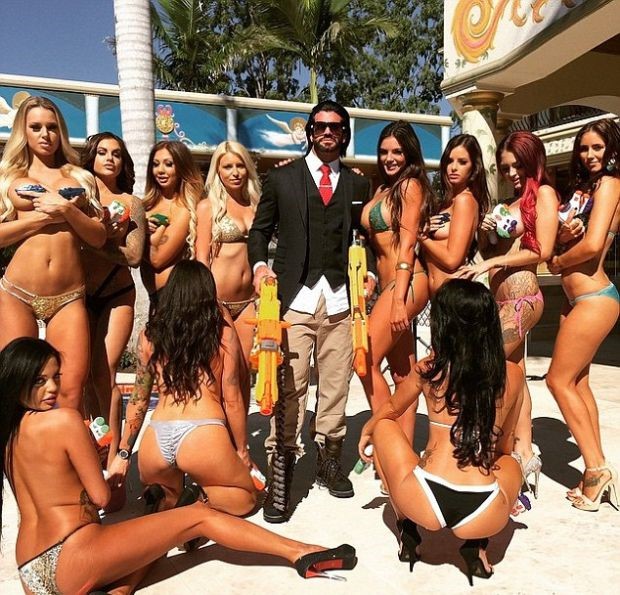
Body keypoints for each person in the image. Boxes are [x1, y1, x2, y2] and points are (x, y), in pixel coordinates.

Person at [0, 337, 357, 595]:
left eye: (55, 377)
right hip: (72, 556)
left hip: (31, 572)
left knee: (154, 532)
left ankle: (120, 589)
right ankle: (300, 553)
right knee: (198, 516)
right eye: (40, 381)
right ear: (17, 381)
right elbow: (100, 498)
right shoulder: (63, 421)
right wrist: (97, 461)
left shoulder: (7, 434)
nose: (52, 388)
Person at [248, 100, 375, 523]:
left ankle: (328, 460)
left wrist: (370, 272)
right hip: (294, 301)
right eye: (320, 126)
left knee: (336, 386)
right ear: (310, 132)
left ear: (345, 133)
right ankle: (281, 471)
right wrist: (260, 266)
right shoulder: (281, 178)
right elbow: (259, 231)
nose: (327, 133)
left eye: (335, 127)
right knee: (290, 386)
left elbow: (367, 238)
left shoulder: (358, 185)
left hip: (340, 300)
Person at [358, 279, 523, 586]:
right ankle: (477, 545)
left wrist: (368, 431)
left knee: (382, 426)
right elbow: (505, 444)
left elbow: (390, 409)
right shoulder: (511, 374)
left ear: (441, 324)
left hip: (423, 498)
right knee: (511, 461)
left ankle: (407, 530)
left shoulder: (429, 369)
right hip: (483, 508)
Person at [107, 260, 256, 518]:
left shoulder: (149, 337)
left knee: (167, 492)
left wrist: (123, 453)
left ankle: (165, 496)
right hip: (202, 433)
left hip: (157, 440)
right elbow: (232, 399)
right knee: (245, 499)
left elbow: (139, 400)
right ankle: (197, 500)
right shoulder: (221, 334)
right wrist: (242, 451)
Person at [458, 131, 558, 510]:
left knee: (484, 368)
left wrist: (495, 260)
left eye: (518, 165)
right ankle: (523, 455)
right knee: (514, 375)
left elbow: (542, 250)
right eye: (505, 167)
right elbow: (495, 252)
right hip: (502, 301)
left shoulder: (544, 195)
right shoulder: (509, 204)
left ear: (534, 160)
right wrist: (488, 241)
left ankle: (485, 451)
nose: (512, 172)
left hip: (523, 299)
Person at [0, 96, 106, 409]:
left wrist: (67, 211)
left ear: (61, 131)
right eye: (36, 127)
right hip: (17, 293)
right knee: (16, 388)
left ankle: (62, 442)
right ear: (23, 131)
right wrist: (42, 219)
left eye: (52, 127)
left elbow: (98, 237)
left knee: (70, 391)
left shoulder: (80, 178)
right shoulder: (7, 177)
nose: (45, 134)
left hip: (68, 297)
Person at [546, 118, 620, 512]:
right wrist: (561, 239)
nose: (590, 155)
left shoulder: (610, 185)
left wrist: (558, 262)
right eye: (584, 148)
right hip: (573, 299)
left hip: (594, 297)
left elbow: (592, 247)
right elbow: (563, 236)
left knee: (557, 381)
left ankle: (595, 471)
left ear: (612, 150)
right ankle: (600, 464)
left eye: (598, 148)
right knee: (579, 382)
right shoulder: (583, 190)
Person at [80, 132, 146, 511]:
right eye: (103, 152)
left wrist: (95, 239)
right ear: (90, 157)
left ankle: (115, 462)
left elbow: (133, 257)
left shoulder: (131, 203)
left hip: (116, 293)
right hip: (78, 294)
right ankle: (94, 449)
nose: (110, 158)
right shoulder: (77, 197)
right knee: (79, 379)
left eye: (117, 154)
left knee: (103, 372)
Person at [359, 121, 430, 445]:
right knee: (403, 375)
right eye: (384, 151)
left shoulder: (410, 186)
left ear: (409, 153)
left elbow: (408, 245)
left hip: (407, 283)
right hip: (389, 286)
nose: (389, 158)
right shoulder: (383, 189)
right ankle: (404, 452)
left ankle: (385, 442)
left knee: (363, 360)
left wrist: (400, 300)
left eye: (397, 152)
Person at [196, 141, 261, 408]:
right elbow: (201, 257)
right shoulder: (208, 207)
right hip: (218, 301)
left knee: (245, 372)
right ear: (218, 171)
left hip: (249, 302)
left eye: (239, 166)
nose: (234, 172)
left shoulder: (257, 204)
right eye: (227, 167)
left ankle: (240, 430)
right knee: (222, 373)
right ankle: (218, 427)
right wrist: (205, 301)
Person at [419, 134, 490, 296]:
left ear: (474, 167)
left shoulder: (465, 200)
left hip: (454, 297)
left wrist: (421, 237)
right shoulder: (446, 203)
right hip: (438, 297)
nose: (453, 168)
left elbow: (452, 260)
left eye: (462, 162)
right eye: (449, 161)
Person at [140, 140, 203, 306]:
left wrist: (139, 232)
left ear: (182, 167)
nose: (160, 170)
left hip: (176, 297)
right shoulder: (146, 205)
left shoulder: (183, 208)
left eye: (168, 164)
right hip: (155, 298)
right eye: (155, 164)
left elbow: (157, 259)